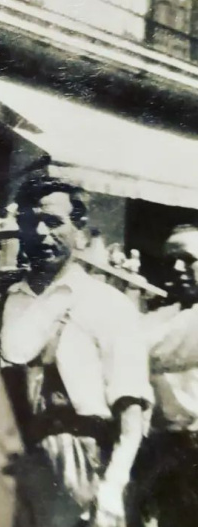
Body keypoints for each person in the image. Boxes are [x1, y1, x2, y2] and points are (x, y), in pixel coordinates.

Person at [0, 174, 152, 527]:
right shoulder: (0, 306)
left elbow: (131, 414)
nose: (40, 233)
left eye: (53, 222)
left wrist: (113, 487)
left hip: (80, 472)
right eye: (30, 222)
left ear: (79, 230)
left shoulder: (108, 304)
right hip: (11, 472)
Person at [133, 224, 198, 527]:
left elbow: (147, 351)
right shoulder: (159, 318)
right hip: (164, 446)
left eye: (188, 259)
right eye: (170, 260)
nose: (177, 268)